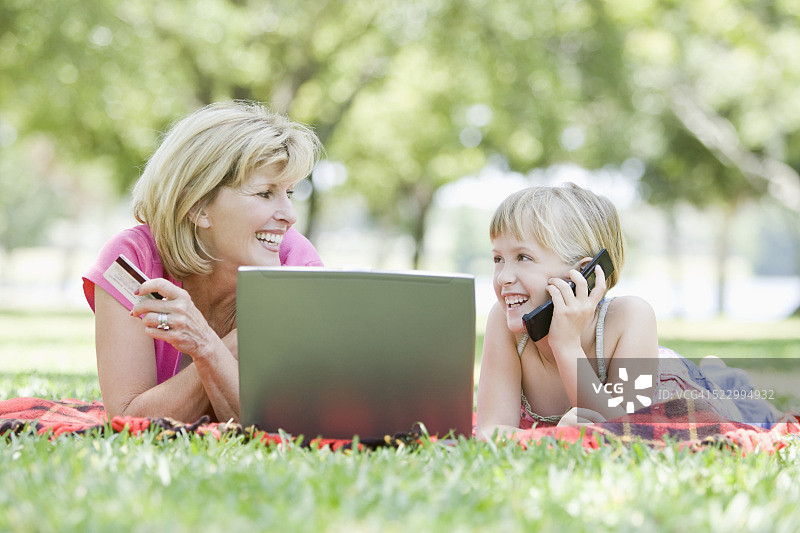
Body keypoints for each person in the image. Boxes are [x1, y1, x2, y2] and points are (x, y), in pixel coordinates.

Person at [475, 183, 783, 438]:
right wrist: (553, 436)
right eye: (498, 259)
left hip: (677, 388)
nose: (503, 278)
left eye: (523, 258)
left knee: (750, 411)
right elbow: (489, 431)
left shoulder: (630, 318)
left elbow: (628, 434)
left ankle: (720, 375)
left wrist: (566, 345)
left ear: (583, 275)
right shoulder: (503, 324)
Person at [82, 101, 323, 423]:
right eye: (265, 193)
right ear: (197, 206)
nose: (290, 216)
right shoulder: (133, 261)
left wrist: (208, 345)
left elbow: (285, 423)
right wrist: (220, 346)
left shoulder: (297, 265)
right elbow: (128, 420)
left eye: (289, 193)